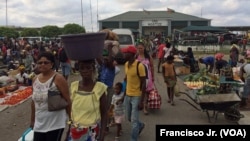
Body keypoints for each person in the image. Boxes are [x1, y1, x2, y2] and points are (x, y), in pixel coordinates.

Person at [30, 52, 71, 141]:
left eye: (46, 62)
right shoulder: (35, 80)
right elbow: (33, 102)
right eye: (40, 63)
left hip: (55, 123)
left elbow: (68, 100)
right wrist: (33, 120)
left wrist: (71, 121)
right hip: (39, 123)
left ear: (52, 64)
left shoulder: (58, 78)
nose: (42, 65)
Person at [69, 59, 107, 141]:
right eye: (82, 68)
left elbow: (104, 113)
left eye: (88, 68)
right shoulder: (74, 86)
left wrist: (102, 135)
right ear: (79, 70)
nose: (85, 71)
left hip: (92, 131)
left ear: (93, 69)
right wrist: (67, 132)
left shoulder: (100, 88)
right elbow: (71, 112)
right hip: (75, 131)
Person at [119, 45, 146, 141]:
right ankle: (141, 125)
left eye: (125, 53)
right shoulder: (126, 64)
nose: (123, 54)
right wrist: (123, 96)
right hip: (128, 95)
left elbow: (144, 84)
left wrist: (142, 101)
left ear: (131, 54)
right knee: (129, 118)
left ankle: (133, 139)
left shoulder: (140, 66)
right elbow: (127, 80)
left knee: (134, 121)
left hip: (136, 96)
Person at [136, 42, 155, 115]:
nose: (140, 49)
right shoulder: (136, 56)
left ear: (144, 48)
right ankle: (139, 104)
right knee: (139, 92)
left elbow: (152, 67)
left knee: (146, 93)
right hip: (138, 78)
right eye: (138, 48)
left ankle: (145, 107)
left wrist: (153, 77)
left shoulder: (148, 57)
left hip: (147, 77)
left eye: (141, 48)